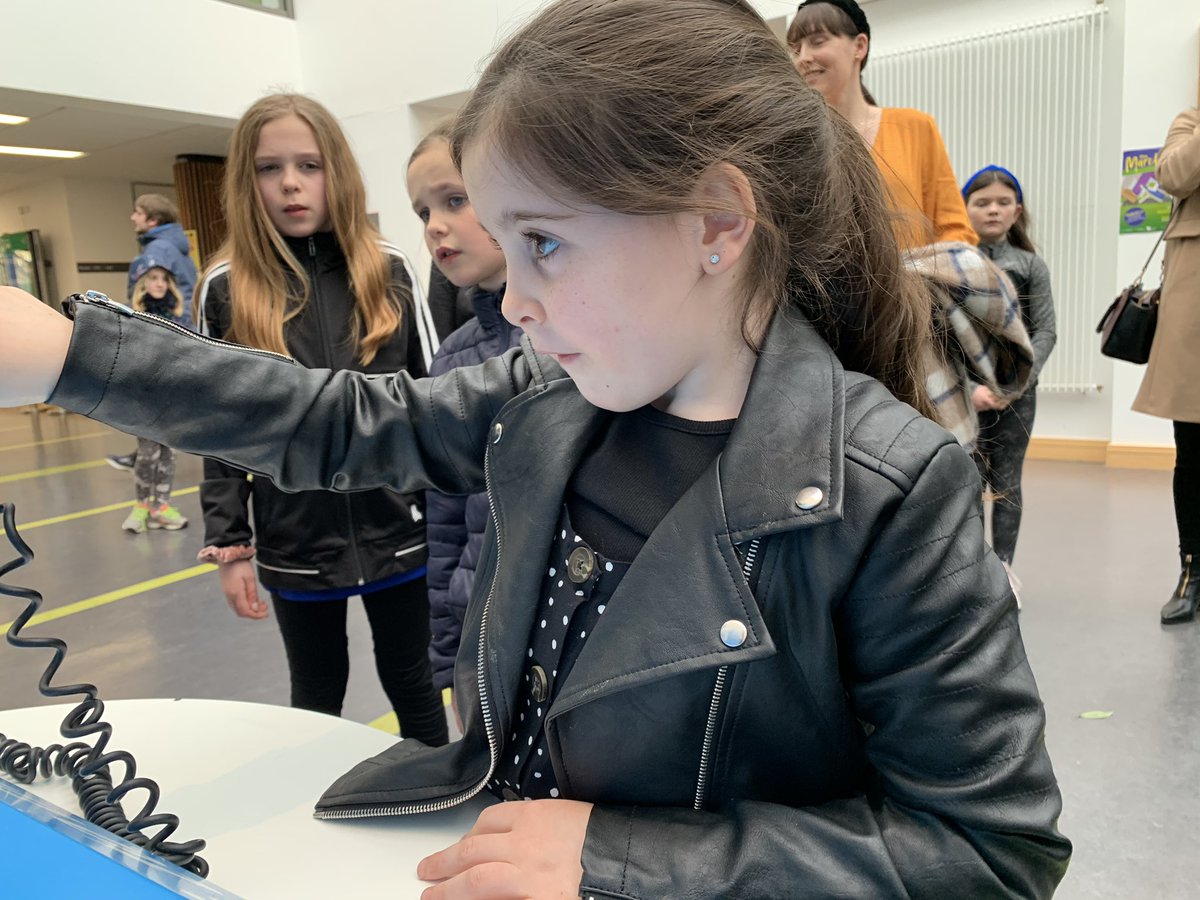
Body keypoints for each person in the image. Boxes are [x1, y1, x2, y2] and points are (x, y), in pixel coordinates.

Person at [0, 1, 1069, 895]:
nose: (514, 297)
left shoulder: (891, 492)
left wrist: (623, 861)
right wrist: (64, 356)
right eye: (507, 248)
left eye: (546, 242)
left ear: (716, 221)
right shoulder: (544, 395)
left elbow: (990, 850)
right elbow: (341, 421)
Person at [190, 93, 448, 746]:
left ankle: (442, 807)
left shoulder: (389, 269)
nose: (291, 184)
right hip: (295, 538)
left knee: (414, 683)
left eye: (308, 165)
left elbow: (438, 399)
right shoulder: (224, 288)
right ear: (247, 184)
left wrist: (453, 515)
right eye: (269, 168)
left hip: (401, 531)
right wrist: (232, 543)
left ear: (337, 170)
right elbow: (214, 427)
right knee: (316, 690)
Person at [406, 124, 518, 711]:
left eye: (455, 200)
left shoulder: (578, 336)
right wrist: (450, 655)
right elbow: (446, 520)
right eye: (423, 210)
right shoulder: (453, 357)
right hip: (481, 638)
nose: (434, 226)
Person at [787, 0, 977, 248]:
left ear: (860, 46)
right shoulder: (797, 142)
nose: (803, 58)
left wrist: (916, 275)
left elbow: (956, 232)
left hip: (914, 284)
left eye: (817, 42)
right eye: (795, 49)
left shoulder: (915, 128)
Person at [963, 165, 1057, 605]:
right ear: (966, 210)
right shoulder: (957, 265)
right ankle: (968, 573)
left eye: (1002, 202)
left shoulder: (1031, 266)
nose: (993, 210)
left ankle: (1002, 571)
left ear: (1017, 211)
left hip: (1019, 397)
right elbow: (941, 333)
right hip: (968, 399)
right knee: (968, 483)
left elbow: (1046, 332)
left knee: (1007, 484)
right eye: (982, 203)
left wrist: (1019, 384)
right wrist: (969, 389)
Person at [1133, 107, 1200, 625]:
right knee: (1193, 453)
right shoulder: (1189, 121)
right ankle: (1192, 572)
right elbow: (1173, 174)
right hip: (1193, 311)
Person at [107, 193, 200, 472]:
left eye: (137, 212)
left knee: (150, 402)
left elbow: (150, 295)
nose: (133, 217)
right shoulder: (174, 247)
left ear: (153, 219)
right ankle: (146, 454)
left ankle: (148, 462)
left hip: (162, 334)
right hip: (178, 330)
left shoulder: (158, 250)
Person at [120, 259, 191, 534]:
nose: (159, 283)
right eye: (153, 278)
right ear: (142, 284)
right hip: (144, 395)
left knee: (168, 452)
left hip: (171, 394)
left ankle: (161, 506)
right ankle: (140, 507)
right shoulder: (133, 317)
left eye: (164, 278)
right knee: (148, 452)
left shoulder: (178, 318)